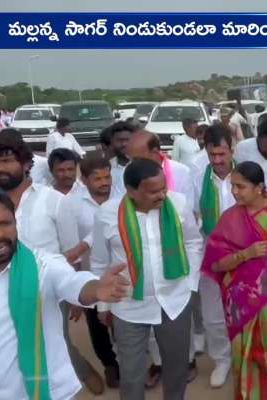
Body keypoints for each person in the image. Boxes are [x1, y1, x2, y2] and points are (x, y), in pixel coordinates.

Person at [0, 188, 129, 400]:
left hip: (46, 392)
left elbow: (73, 282)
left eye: (5, 223)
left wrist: (95, 288)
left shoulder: (42, 265)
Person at [0, 129, 107, 393]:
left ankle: (73, 379)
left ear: (27, 163)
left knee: (54, 341)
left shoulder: (54, 201)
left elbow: (69, 250)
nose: (0, 168)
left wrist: (74, 298)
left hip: (49, 288)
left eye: (7, 161)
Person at [91, 158, 203, 400]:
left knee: (177, 368)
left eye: (163, 188)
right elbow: (100, 261)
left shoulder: (178, 203)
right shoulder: (108, 213)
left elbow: (194, 242)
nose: (162, 195)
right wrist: (103, 304)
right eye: (153, 191)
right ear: (132, 192)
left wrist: (191, 284)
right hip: (128, 306)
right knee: (131, 374)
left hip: (174, 301)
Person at [201, 161, 267, 400]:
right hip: (243, 302)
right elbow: (215, 264)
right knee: (248, 356)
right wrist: (246, 254)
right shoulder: (229, 219)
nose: (234, 191)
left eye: (240, 186)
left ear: (259, 188)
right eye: (233, 186)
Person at [56, 152, 121, 389]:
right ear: (83, 180)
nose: (104, 182)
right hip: (90, 276)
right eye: (98, 178)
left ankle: (128, 361)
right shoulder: (71, 205)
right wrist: (74, 291)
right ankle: (110, 364)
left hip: (122, 271)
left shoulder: (123, 197)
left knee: (123, 319)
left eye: (107, 177)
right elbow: (71, 248)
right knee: (97, 324)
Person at [190, 124, 235, 388]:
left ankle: (246, 354)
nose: (217, 161)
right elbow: (191, 218)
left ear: (232, 149)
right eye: (212, 155)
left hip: (244, 254)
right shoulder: (197, 178)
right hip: (211, 254)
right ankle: (222, 358)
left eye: (222, 154)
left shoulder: (245, 174)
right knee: (213, 313)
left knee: (246, 309)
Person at [126, 130, 193, 202]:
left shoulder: (182, 172)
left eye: (136, 158)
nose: (132, 162)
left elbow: (187, 207)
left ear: (154, 152)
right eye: (129, 158)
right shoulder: (128, 171)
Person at [106, 121, 134, 199]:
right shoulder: (106, 167)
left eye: (127, 140)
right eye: (120, 140)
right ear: (112, 142)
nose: (124, 144)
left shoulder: (143, 166)